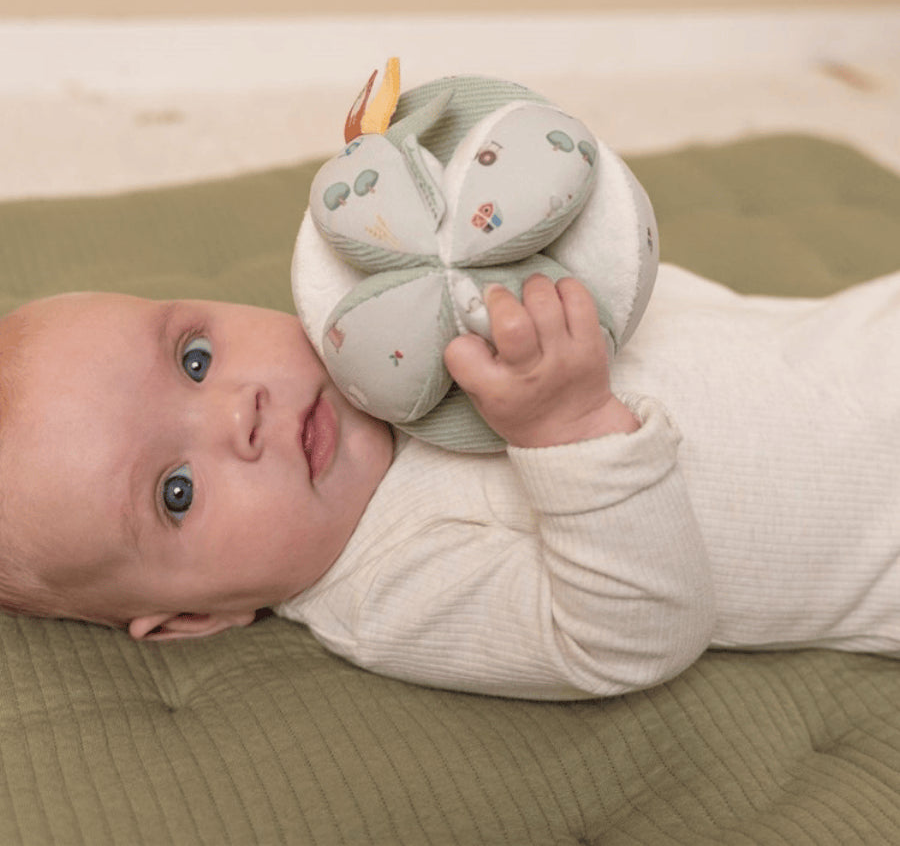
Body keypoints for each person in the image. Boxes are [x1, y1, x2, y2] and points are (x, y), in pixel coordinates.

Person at [0, 265, 898, 700]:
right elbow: (631, 639)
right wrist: (568, 432)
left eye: (195, 357)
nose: (241, 412)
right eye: (176, 493)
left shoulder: (387, 325)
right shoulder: (390, 588)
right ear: (198, 615)